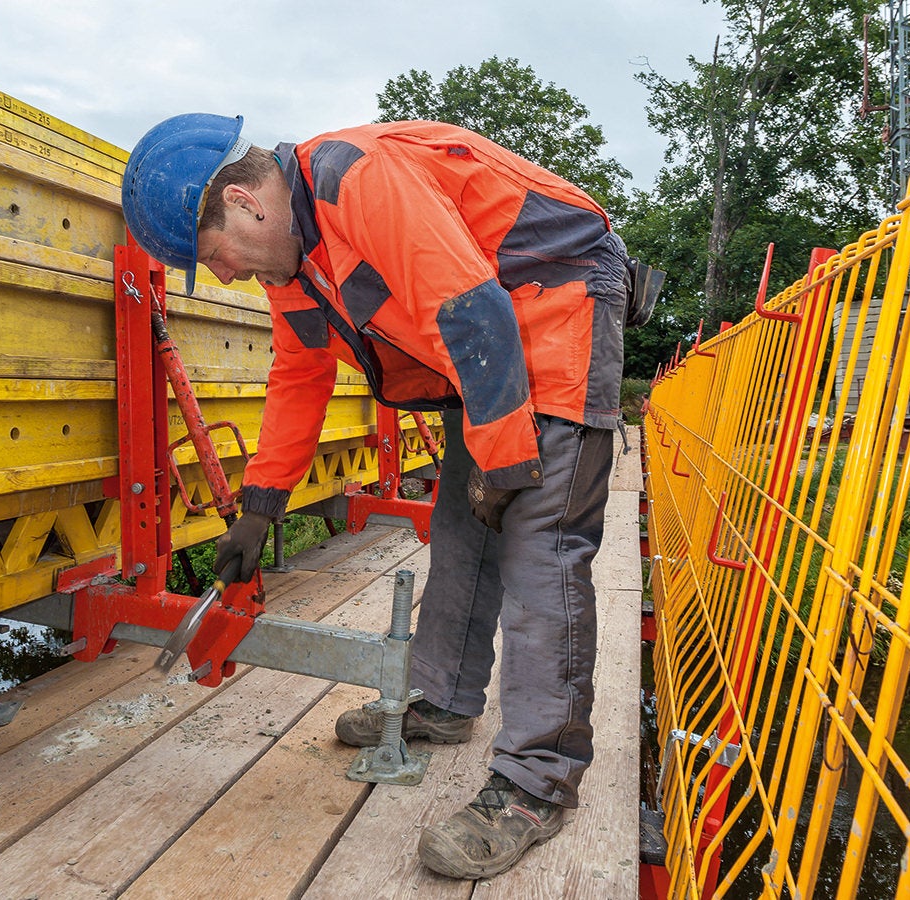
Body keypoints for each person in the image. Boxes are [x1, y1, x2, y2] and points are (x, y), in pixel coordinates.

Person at [121, 113, 633, 880]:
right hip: (484, 339)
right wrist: (259, 506)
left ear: (242, 201)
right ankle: (444, 701)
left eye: (212, 255)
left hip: (553, 305)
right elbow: (299, 377)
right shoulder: (295, 264)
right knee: (466, 526)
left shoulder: (355, 178)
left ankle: (537, 784)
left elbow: (466, 303)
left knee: (539, 544)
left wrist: (501, 456)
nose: (224, 275)